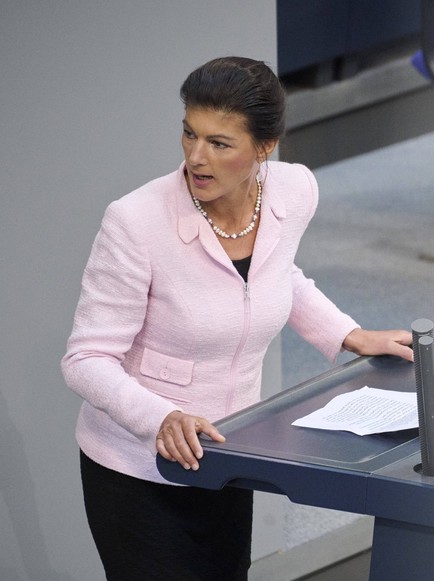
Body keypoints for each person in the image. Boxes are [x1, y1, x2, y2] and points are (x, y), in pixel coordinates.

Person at [61, 56, 413, 580]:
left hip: (231, 453)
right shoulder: (135, 223)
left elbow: (279, 274)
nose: (196, 158)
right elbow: (85, 359)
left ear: (264, 148)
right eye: (189, 134)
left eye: (220, 144)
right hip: (138, 468)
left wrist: (349, 333)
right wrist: (161, 417)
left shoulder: (293, 193)